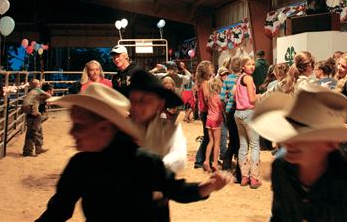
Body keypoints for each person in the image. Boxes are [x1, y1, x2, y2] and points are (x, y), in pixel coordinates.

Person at [36, 84, 232, 222]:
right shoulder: (79, 165)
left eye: (79, 125)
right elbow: (58, 211)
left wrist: (208, 186)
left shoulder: (143, 161)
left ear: (104, 128)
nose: (72, 132)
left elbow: (175, 189)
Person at [249, 83, 347, 222]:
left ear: (330, 143)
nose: (289, 141)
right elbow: (280, 215)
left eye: (304, 137)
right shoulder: (282, 167)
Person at [128, 70, 187, 173]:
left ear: (159, 104)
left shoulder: (169, 130)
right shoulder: (119, 127)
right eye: (133, 100)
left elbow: (179, 159)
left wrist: (152, 164)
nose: (137, 106)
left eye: (144, 101)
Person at [234, 56, 261, 189]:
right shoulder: (249, 79)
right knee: (255, 146)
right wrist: (260, 96)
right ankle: (254, 178)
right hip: (249, 113)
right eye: (249, 64)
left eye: (253, 64)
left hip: (238, 114)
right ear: (243, 66)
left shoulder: (239, 79)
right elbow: (251, 99)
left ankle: (244, 177)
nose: (252, 66)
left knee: (243, 146)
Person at [220, 57, 241, 176]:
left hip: (229, 111)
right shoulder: (243, 79)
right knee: (240, 140)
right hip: (241, 110)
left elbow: (221, 98)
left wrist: (228, 98)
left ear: (230, 67)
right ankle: (238, 166)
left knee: (233, 138)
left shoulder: (227, 79)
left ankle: (226, 164)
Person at [22, 79, 51, 157]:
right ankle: (28, 151)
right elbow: (48, 95)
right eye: (39, 83)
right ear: (38, 85)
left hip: (31, 111)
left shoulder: (32, 92)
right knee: (33, 131)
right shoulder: (38, 91)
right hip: (33, 111)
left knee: (38, 130)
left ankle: (38, 148)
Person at [193, 60, 215, 169]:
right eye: (210, 67)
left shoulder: (200, 82)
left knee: (207, 137)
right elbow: (207, 98)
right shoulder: (205, 83)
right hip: (207, 112)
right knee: (208, 138)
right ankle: (199, 160)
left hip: (202, 111)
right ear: (206, 71)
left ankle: (202, 159)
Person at [204, 78, 224, 173]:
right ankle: (215, 163)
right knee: (217, 143)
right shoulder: (219, 97)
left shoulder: (209, 96)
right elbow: (222, 108)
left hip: (209, 119)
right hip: (216, 120)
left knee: (211, 141)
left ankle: (206, 160)